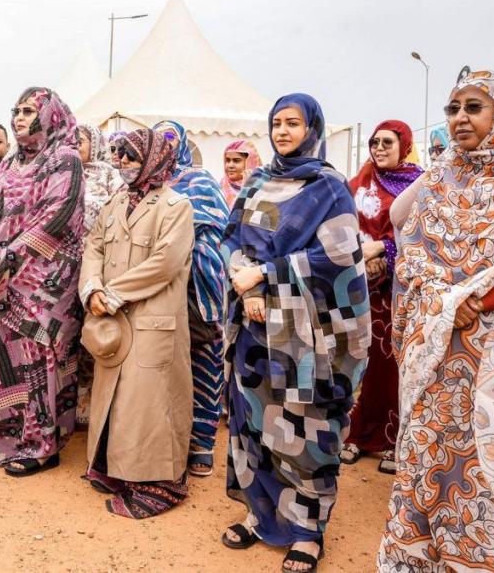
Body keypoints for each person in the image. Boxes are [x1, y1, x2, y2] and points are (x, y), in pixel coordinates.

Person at [378, 69, 494, 571]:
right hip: (437, 358)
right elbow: (411, 253)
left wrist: (488, 296)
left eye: (474, 107)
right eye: (453, 108)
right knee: (428, 464)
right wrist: (444, 304)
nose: (460, 118)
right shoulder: (438, 179)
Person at [219, 93, 370, 573]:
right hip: (253, 330)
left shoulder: (328, 187)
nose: (283, 131)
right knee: (253, 424)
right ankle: (260, 515)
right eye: (277, 123)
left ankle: (307, 531)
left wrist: (266, 274)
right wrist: (247, 285)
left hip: (304, 339)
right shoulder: (258, 182)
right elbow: (231, 239)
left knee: (304, 429)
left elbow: (339, 257)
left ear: (312, 129)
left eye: (293, 123)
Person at [0, 87, 85, 476]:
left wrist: (8, 255)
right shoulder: (8, 165)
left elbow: (58, 218)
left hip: (45, 284)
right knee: (0, 359)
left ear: (50, 115)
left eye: (28, 111)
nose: (19, 117)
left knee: (38, 361)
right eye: (17, 110)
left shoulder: (65, 160)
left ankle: (42, 445)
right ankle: (5, 434)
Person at [79, 128, 195, 518]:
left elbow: (165, 263)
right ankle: (117, 470)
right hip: (113, 318)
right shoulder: (115, 202)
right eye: (119, 153)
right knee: (116, 399)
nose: (122, 161)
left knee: (150, 402)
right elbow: (94, 247)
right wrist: (92, 289)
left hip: (151, 320)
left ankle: (160, 485)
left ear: (153, 158)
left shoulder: (176, 206)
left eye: (131, 155)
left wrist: (113, 294)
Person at [338, 121, 421, 472]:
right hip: (354, 286)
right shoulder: (357, 182)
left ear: (404, 146)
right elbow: (340, 224)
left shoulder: (419, 184)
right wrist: (362, 252)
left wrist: (384, 252)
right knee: (357, 361)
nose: (379, 148)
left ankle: (392, 440)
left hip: (396, 291)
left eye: (388, 142)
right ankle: (356, 435)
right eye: (375, 142)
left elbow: (421, 234)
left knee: (390, 367)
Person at [154, 119, 230, 479]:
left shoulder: (201, 180)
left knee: (203, 362)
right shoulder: (145, 181)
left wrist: (178, 231)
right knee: (161, 363)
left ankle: (201, 443)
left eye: (170, 138)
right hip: (159, 285)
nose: (164, 144)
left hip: (199, 286)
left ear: (182, 143)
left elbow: (220, 225)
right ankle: (166, 441)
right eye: (158, 138)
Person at [74, 123, 124, 425]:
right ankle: (71, 402)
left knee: (96, 331)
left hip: (97, 266)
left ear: (94, 143)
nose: (74, 144)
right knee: (69, 334)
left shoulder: (109, 174)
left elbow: (118, 213)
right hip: (63, 268)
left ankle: (95, 402)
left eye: (80, 140)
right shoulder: (61, 172)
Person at [219, 140, 262, 208]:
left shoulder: (264, 189)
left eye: (236, 161)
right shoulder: (221, 187)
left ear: (251, 162)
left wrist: (246, 191)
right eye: (227, 160)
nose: (230, 165)